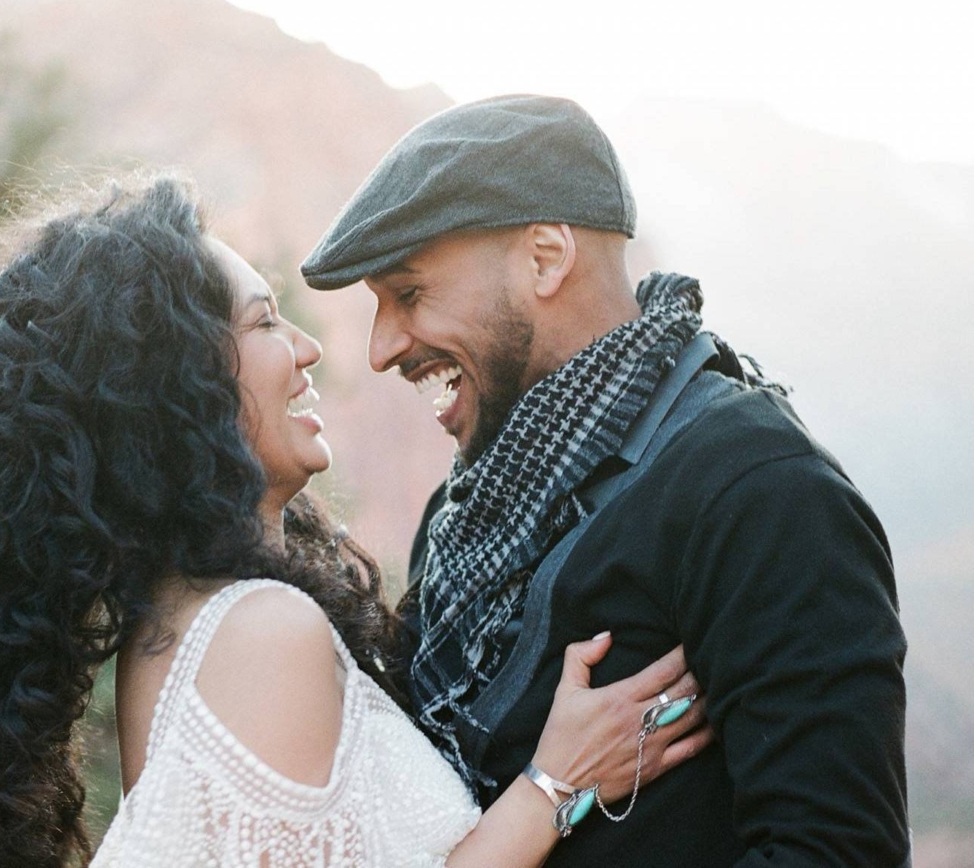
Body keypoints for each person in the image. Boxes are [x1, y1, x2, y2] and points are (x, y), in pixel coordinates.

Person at [0, 174, 712, 868]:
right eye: (267, 320)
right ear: (178, 389)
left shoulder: (184, 624)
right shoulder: (254, 633)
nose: (311, 348)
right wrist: (555, 784)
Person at [301, 95, 911, 867]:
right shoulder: (463, 517)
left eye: (410, 294)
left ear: (547, 257)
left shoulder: (756, 488)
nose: (383, 347)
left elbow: (836, 852)